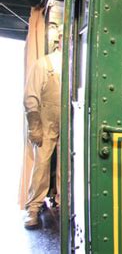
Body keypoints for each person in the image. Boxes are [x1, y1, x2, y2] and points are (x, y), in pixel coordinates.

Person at [23, 27, 61, 229]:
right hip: (47, 120)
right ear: (61, 38)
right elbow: (31, 97)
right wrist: (34, 127)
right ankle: (33, 207)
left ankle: (65, 203)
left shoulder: (77, 66)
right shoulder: (44, 64)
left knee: (69, 165)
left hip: (70, 120)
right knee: (41, 164)